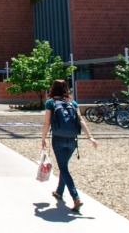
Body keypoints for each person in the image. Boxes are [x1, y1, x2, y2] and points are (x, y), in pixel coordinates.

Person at [41, 79, 97, 212]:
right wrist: (90, 137)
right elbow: (80, 120)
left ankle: (76, 197)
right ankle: (59, 192)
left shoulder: (51, 103)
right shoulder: (73, 103)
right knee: (63, 166)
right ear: (66, 89)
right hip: (72, 140)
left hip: (58, 138)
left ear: (53, 89)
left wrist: (43, 138)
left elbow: (47, 122)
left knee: (63, 168)